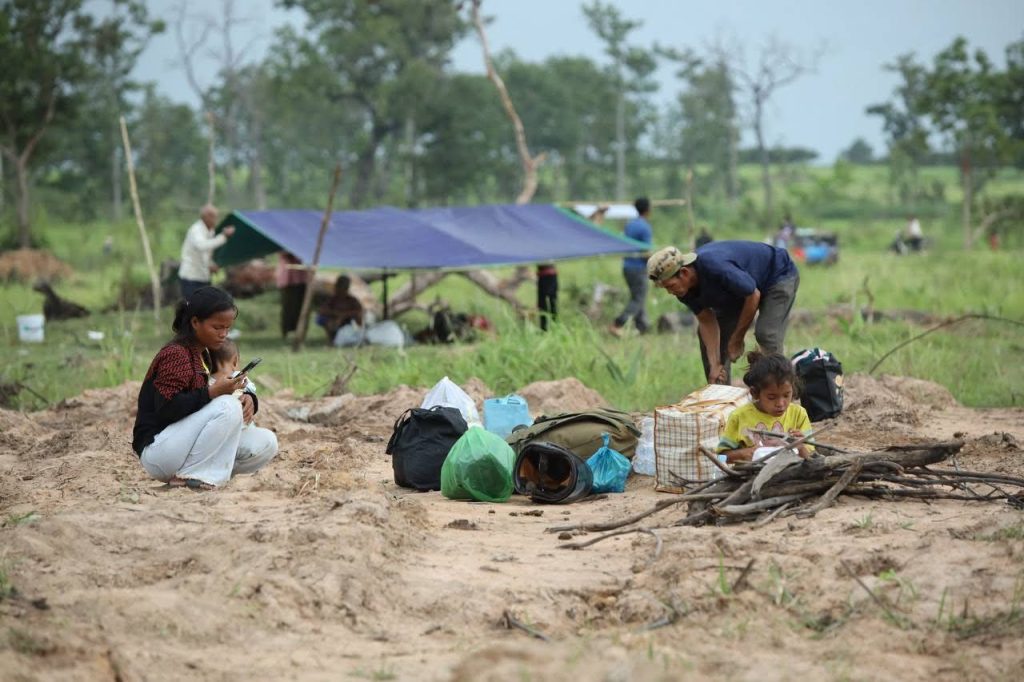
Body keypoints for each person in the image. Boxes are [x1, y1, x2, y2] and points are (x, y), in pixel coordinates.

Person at [131, 286, 278, 489]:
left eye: (227, 328)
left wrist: (248, 398)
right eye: (217, 328)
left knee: (267, 442)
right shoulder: (176, 354)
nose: (224, 334)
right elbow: (167, 408)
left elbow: (213, 394)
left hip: (184, 445)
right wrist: (213, 393)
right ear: (195, 323)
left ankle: (204, 476)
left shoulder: (204, 354)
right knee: (227, 406)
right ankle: (196, 476)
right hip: (159, 450)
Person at [647, 240, 799, 384]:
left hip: (776, 274)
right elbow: (706, 320)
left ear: (685, 272)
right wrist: (714, 363)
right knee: (714, 342)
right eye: (666, 287)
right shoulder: (683, 289)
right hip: (739, 291)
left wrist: (737, 339)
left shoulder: (714, 266)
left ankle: (779, 390)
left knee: (766, 334)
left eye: (670, 286)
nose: (670, 292)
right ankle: (720, 394)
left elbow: (753, 295)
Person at [716, 351, 814, 463]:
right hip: (752, 473)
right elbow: (720, 458)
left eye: (786, 395)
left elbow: (811, 458)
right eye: (772, 397)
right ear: (755, 393)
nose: (780, 404)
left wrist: (801, 447)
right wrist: (743, 453)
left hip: (791, 472)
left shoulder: (798, 414)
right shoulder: (739, 417)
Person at [609, 197, 653, 337]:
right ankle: (618, 323)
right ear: (648, 209)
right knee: (638, 298)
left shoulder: (630, 225)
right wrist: (655, 265)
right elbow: (645, 252)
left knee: (637, 296)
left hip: (627, 266)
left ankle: (642, 327)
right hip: (638, 268)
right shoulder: (645, 227)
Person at [178, 204, 235, 300]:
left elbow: (206, 253)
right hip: (191, 277)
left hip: (203, 277)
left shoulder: (210, 231)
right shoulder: (196, 230)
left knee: (206, 306)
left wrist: (211, 264)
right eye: (214, 217)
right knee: (192, 305)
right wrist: (223, 237)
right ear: (206, 217)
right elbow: (202, 246)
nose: (216, 220)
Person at [317, 274, 364, 343]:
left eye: (344, 286)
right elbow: (322, 310)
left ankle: (359, 336)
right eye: (340, 286)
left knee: (358, 317)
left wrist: (344, 315)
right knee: (322, 318)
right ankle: (331, 339)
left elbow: (359, 311)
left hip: (347, 321)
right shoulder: (332, 299)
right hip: (333, 319)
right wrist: (336, 313)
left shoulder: (351, 300)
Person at [276, 251, 309, 338]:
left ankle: (299, 331)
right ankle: (286, 331)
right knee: (288, 308)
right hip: (287, 280)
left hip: (301, 279)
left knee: (300, 308)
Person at [536, 262, 558, 331]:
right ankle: (544, 329)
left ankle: (554, 327)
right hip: (543, 275)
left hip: (550, 275)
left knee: (552, 304)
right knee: (543, 305)